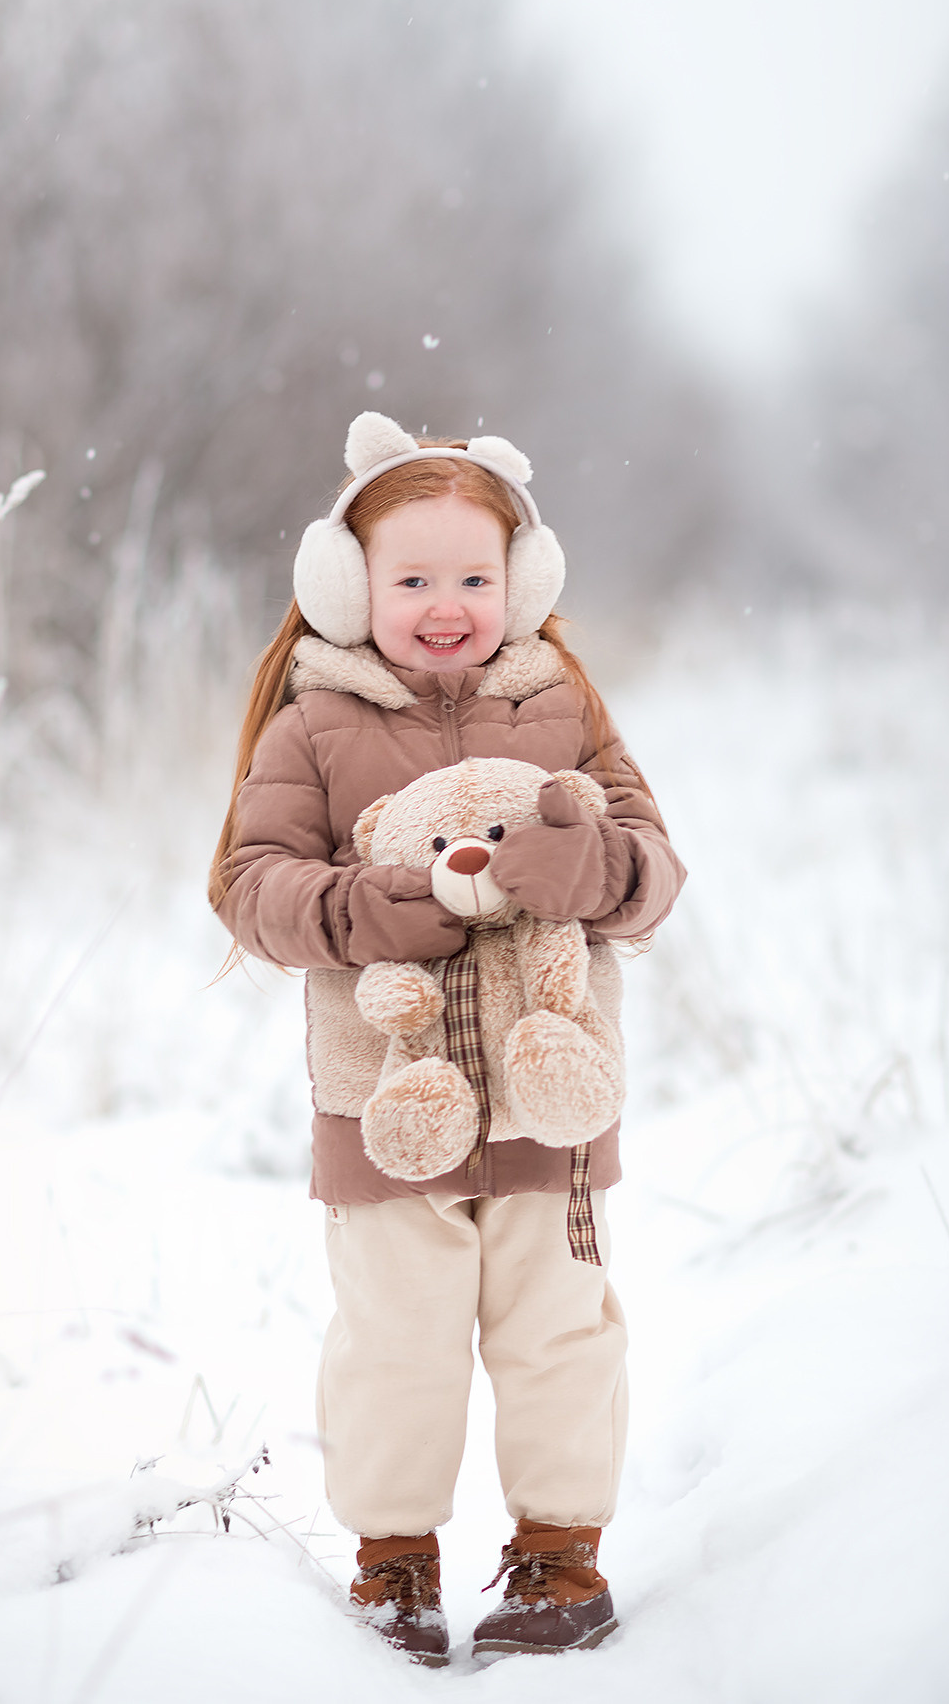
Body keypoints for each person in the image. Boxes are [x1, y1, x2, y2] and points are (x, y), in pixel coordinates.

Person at [209, 412, 685, 1664]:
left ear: (519, 581)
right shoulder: (310, 725)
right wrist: (362, 911)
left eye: (473, 578)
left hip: (551, 1099)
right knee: (394, 1346)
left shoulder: (559, 698)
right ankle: (394, 1566)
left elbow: (653, 870)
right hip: (387, 1104)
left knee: (559, 1331)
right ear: (345, 583)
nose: (443, 605)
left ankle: (556, 1559)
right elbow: (249, 886)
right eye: (410, 578)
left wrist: (588, 867)